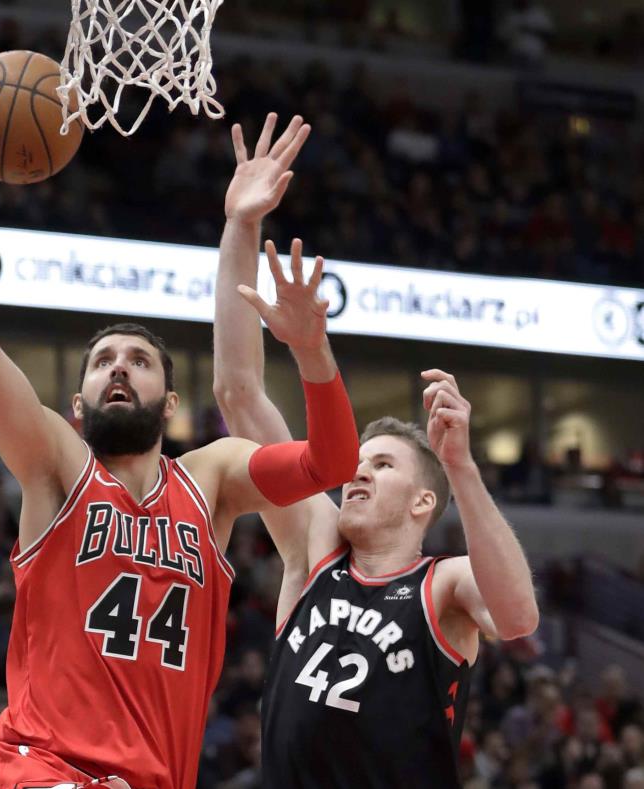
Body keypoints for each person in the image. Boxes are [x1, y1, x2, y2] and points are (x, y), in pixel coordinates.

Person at [0, 68, 360, 789]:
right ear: (77, 404)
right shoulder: (57, 464)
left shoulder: (213, 476)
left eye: (139, 360)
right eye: (102, 361)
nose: (119, 368)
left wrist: (311, 347)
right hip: (43, 770)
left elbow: (331, 461)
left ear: (170, 405)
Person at [213, 113, 540, 788]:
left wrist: (463, 469)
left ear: (423, 500)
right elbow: (240, 393)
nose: (357, 470)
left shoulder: (440, 583)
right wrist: (242, 228)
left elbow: (517, 616)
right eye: (360, 460)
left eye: (381, 463)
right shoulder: (316, 547)